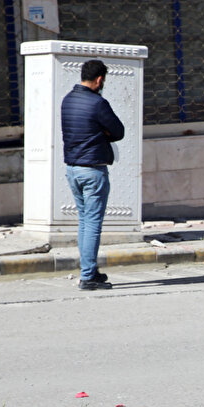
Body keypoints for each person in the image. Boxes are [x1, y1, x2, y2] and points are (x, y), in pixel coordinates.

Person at [61, 59, 124, 291]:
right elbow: (119, 131)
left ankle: (91, 271)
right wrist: (103, 132)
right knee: (93, 224)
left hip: (72, 170)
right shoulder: (98, 103)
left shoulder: (67, 101)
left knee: (85, 221)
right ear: (99, 80)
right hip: (93, 171)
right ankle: (87, 276)